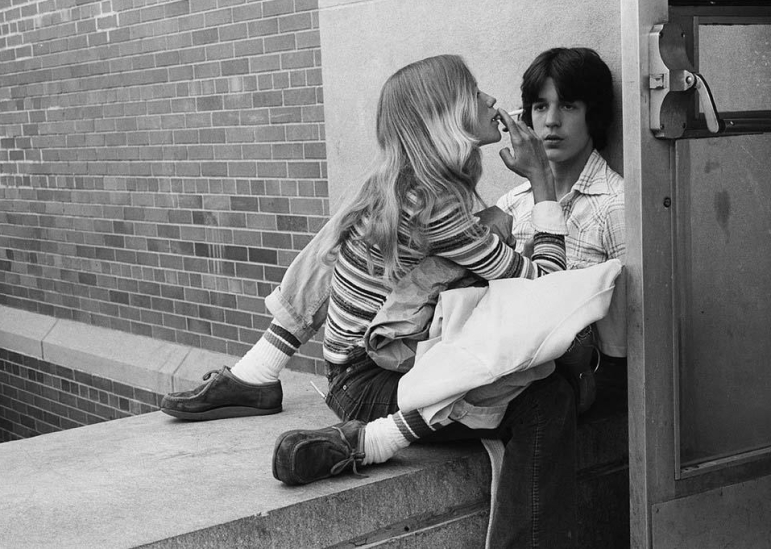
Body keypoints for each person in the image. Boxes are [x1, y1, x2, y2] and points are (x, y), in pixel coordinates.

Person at [162, 49, 623, 548]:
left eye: (567, 107)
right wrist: (540, 184)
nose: (493, 100)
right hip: (375, 378)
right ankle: (368, 438)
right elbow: (541, 290)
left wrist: (496, 229)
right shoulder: (441, 202)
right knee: (545, 396)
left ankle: (282, 386)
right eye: (475, 93)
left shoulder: (410, 186)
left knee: (354, 227)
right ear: (449, 119)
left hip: (359, 370)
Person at [496, 47, 626, 412]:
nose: (551, 121)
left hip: (583, 382)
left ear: (593, 115)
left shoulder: (614, 203)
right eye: (540, 106)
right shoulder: (514, 203)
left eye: (567, 106)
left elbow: (636, 335)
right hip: (509, 366)